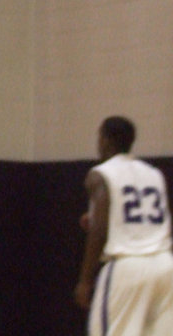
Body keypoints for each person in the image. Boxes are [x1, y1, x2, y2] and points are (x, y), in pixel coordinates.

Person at [74, 116, 173, 335]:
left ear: (107, 140)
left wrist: (85, 281)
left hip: (128, 266)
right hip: (165, 266)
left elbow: (99, 229)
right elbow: (163, 220)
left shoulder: (100, 174)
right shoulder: (154, 173)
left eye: (99, 137)